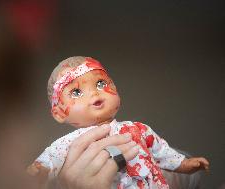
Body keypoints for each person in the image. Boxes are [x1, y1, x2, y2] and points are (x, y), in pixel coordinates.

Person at [28, 56, 209, 188]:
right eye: (76, 92)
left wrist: (184, 164)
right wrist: (40, 169)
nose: (94, 93)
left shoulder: (137, 129)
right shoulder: (72, 144)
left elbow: (160, 150)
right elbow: (52, 157)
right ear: (59, 113)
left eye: (100, 84)